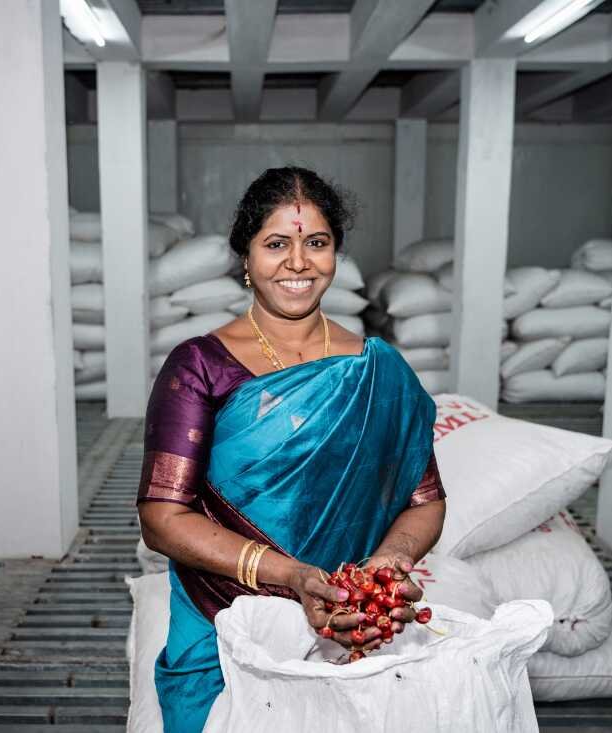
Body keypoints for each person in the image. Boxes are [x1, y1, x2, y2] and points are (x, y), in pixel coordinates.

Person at [137, 166, 446, 733]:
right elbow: (162, 518)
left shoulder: (377, 369)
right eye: (277, 244)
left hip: (352, 621)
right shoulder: (201, 366)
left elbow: (424, 500)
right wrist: (294, 576)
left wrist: (386, 563)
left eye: (317, 243)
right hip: (224, 618)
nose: (298, 263)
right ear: (246, 257)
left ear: (336, 254)